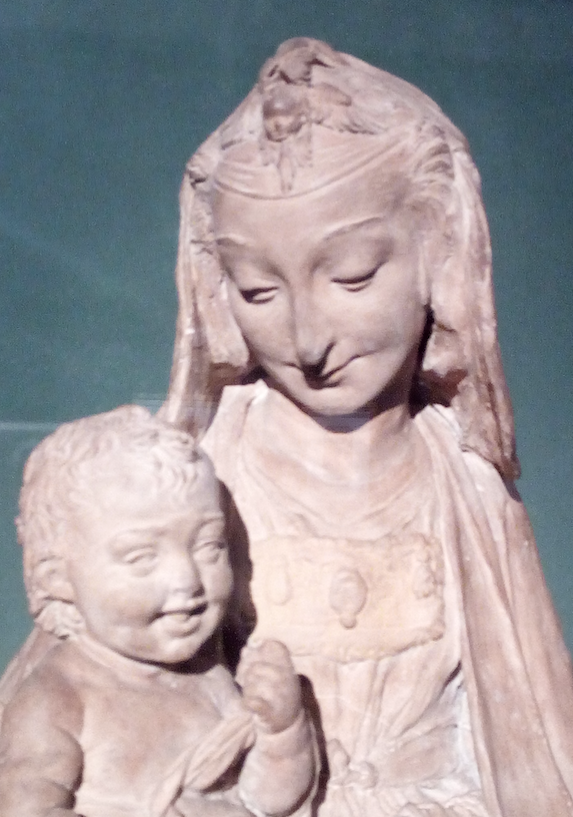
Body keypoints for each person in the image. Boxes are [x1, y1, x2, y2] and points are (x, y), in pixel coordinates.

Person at [159, 38, 573, 817]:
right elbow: (107, 702)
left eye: (351, 276)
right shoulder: (204, 477)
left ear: (437, 251)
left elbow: (535, 741)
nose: (307, 340)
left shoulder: (463, 482)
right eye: (257, 291)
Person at [0, 405, 316, 817]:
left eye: (208, 546)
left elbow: (268, 802)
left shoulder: (211, 676)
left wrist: (283, 732)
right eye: (142, 557)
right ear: (58, 577)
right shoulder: (59, 698)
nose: (188, 580)